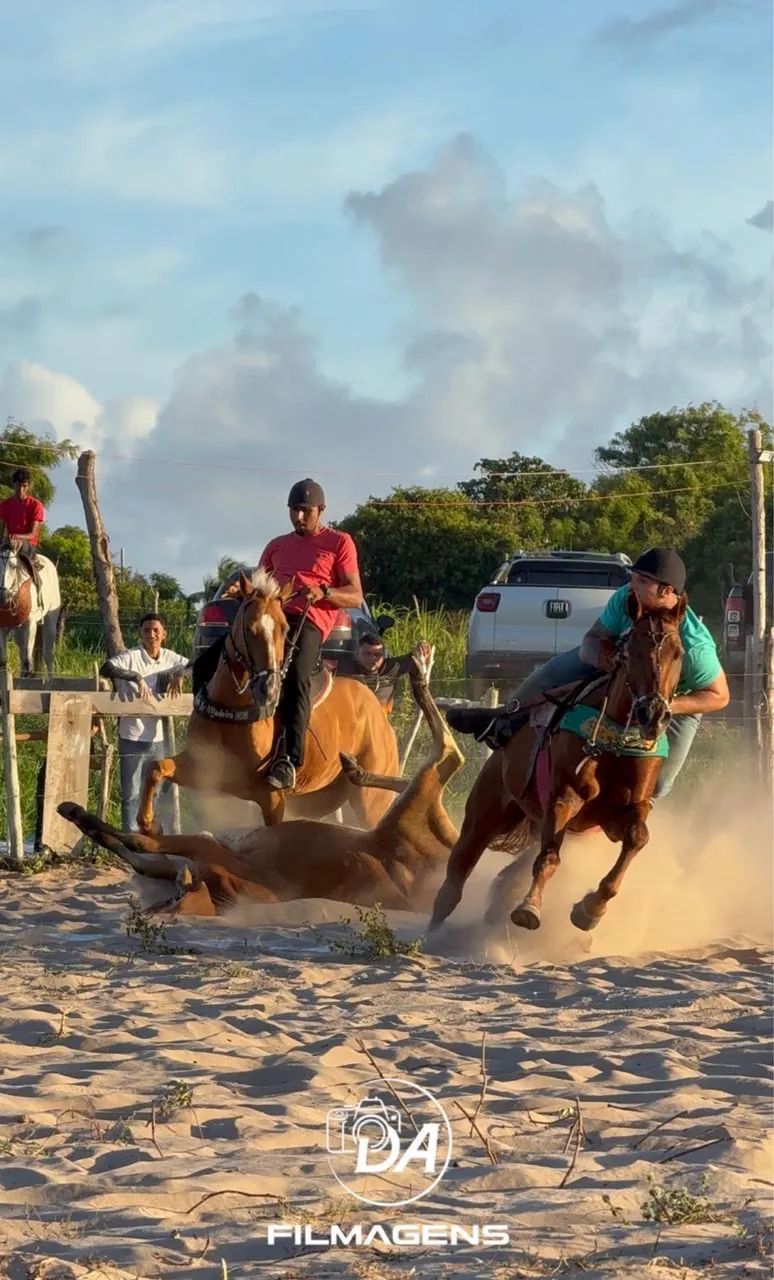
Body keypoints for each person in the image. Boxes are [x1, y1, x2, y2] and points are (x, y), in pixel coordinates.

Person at [456, 548, 730, 800]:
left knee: (660, 783)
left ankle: (634, 813)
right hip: (619, 667)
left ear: (666, 591)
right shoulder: (626, 597)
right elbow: (592, 640)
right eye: (635, 577)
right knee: (552, 671)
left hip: (675, 697)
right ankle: (503, 722)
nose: (632, 584)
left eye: (642, 581)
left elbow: (719, 696)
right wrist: (607, 659)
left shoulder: (695, 645)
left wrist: (666, 704)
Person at [258, 478, 363, 790]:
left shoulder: (339, 542)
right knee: (231, 652)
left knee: (297, 674)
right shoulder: (276, 545)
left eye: (305, 511)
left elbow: (355, 596)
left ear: (321, 510)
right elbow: (261, 585)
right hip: (273, 615)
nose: (299, 517)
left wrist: (325, 591)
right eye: (294, 510)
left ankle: (290, 759)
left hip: (309, 618)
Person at [99, 614, 191, 830]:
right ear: (140, 634)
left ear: (164, 634)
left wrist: (179, 675)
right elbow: (107, 668)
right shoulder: (131, 657)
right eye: (147, 630)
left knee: (154, 788)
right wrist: (135, 677)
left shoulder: (169, 657)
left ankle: (148, 834)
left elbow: (192, 665)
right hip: (132, 734)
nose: (152, 634)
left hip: (157, 737)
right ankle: (130, 838)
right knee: (131, 792)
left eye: (156, 630)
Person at [350, 633, 432, 712]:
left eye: (377, 654)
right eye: (367, 654)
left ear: (383, 655)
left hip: (380, 723)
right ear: (357, 653)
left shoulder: (391, 668)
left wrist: (423, 646)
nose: (373, 658)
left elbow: (415, 655)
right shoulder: (345, 667)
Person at [0, 468, 46, 589]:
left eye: (24, 486)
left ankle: (38, 583)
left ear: (28, 486)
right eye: (18, 485)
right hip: (9, 543)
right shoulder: (5, 504)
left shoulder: (36, 505)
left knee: (12, 542)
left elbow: (32, 534)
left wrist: (15, 537)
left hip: (28, 544)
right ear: (13, 485)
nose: (21, 489)